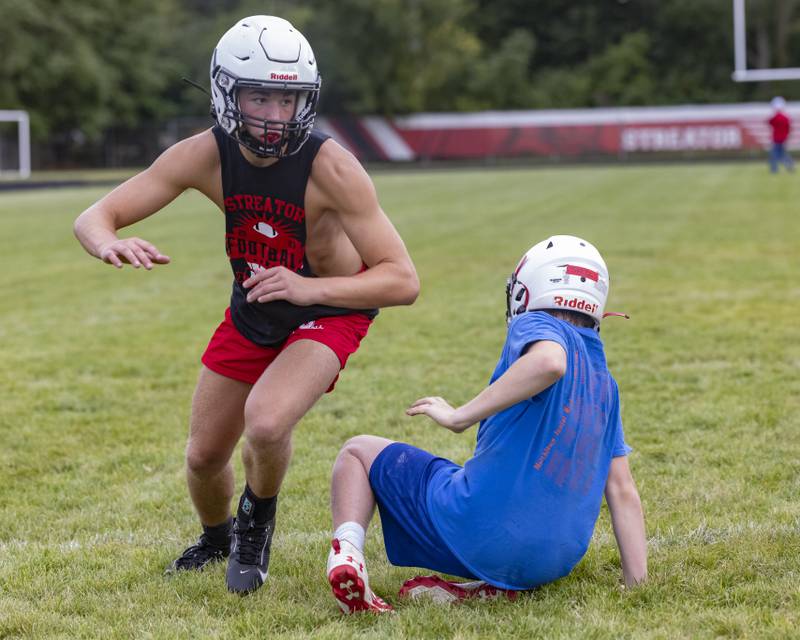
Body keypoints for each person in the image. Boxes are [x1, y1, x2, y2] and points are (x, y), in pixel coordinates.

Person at [73, 15, 419, 595]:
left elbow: (401, 279)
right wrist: (110, 241)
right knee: (204, 457)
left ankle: (255, 526)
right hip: (256, 306)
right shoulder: (203, 155)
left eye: (289, 100)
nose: (274, 115)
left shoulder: (332, 167)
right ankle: (216, 538)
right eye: (259, 96)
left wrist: (309, 288)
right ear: (225, 94)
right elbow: (93, 216)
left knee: (265, 420)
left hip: (329, 308)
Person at [326, 235, 646, 613]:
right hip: (553, 561)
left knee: (358, 452)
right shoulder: (605, 383)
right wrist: (636, 584)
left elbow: (550, 363)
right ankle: (489, 587)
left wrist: (459, 415)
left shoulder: (539, 327)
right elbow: (623, 489)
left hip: (481, 534)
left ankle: (346, 555)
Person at [768, 96, 794, 174]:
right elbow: (789, 128)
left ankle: (774, 169)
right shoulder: (786, 118)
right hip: (783, 138)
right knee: (782, 153)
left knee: (775, 154)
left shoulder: (776, 117)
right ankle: (789, 165)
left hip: (777, 138)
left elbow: (770, 122)